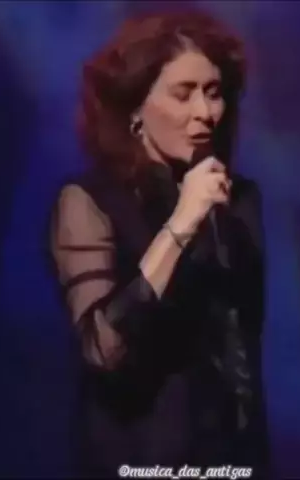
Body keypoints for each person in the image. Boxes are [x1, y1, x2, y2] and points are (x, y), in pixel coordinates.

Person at [49, 8, 269, 479]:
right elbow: (104, 350)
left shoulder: (239, 200)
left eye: (213, 92)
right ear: (135, 109)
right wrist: (181, 224)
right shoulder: (90, 202)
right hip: (138, 460)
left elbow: (244, 348)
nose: (204, 112)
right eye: (182, 93)